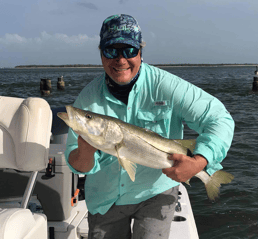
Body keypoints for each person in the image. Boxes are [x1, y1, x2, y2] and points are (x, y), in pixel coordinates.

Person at [65, 14, 235, 239]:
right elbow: (77, 165)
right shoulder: (87, 99)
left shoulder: (166, 85)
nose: (121, 60)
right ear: (101, 54)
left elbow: (219, 119)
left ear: (140, 52)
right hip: (106, 198)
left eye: (129, 50)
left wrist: (199, 162)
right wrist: (85, 153)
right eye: (111, 51)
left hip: (157, 192)